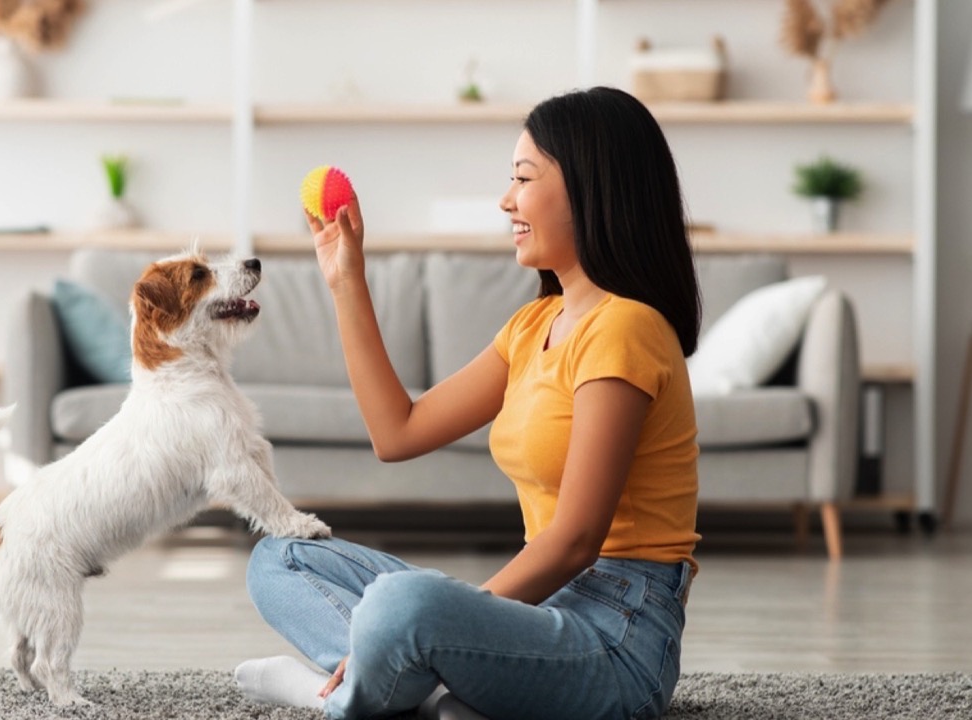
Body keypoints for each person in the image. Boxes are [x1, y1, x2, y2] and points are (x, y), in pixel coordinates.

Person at [234, 86, 702, 720]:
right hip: (540, 614)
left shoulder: (626, 328)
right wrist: (347, 281)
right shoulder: (534, 325)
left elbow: (575, 541)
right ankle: (439, 698)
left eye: (523, 178)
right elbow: (396, 434)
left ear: (592, 189)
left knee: (405, 606)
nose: (506, 200)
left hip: (616, 641)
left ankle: (348, 697)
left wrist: (451, 617)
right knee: (279, 558)